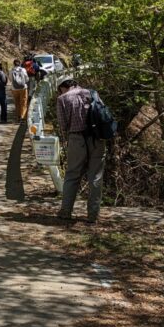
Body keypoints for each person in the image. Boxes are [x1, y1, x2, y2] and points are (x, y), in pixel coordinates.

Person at [55, 77, 107, 223]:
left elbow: (63, 125)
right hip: (97, 139)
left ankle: (66, 211)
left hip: (76, 139)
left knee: (72, 175)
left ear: (63, 87)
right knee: (96, 176)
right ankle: (93, 215)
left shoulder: (62, 99)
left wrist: (66, 141)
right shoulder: (91, 93)